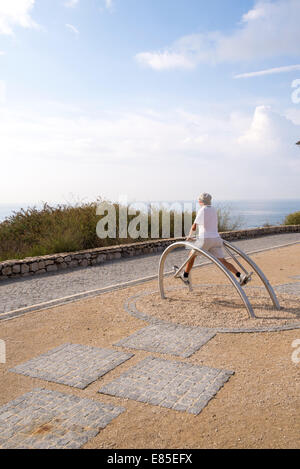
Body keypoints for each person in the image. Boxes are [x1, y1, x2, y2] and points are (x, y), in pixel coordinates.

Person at [178, 193, 251, 286]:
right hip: (216, 239)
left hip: (205, 239)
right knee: (223, 261)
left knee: (191, 256)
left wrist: (189, 236)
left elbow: (194, 226)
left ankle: (185, 275)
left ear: (200, 201)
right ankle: (240, 275)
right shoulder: (214, 210)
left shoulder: (202, 210)